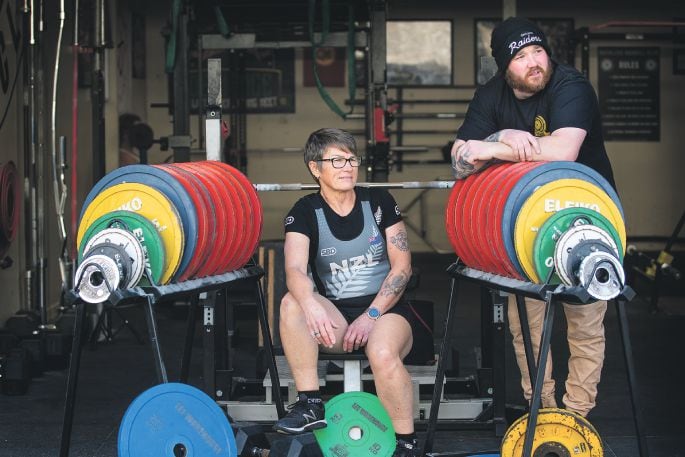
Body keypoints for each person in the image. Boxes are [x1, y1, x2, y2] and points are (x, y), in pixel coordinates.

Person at [450, 17, 616, 418]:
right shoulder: (491, 95)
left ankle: (576, 416)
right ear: (504, 66)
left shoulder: (570, 85)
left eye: (538, 51)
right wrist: (498, 137)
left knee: (585, 325)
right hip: (522, 225)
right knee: (528, 326)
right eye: (521, 56)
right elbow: (458, 159)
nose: (534, 62)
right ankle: (542, 410)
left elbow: (563, 150)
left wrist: (493, 147)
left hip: (583, 218)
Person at [274, 128, 421, 457]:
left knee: (382, 353)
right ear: (315, 168)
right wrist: (310, 303)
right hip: (337, 321)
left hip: (387, 314)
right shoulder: (305, 211)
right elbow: (295, 270)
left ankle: (407, 445)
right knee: (292, 302)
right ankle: (311, 404)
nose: (347, 167)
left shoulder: (379, 202)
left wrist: (371, 316)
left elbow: (402, 268)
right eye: (336, 160)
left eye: (352, 159)